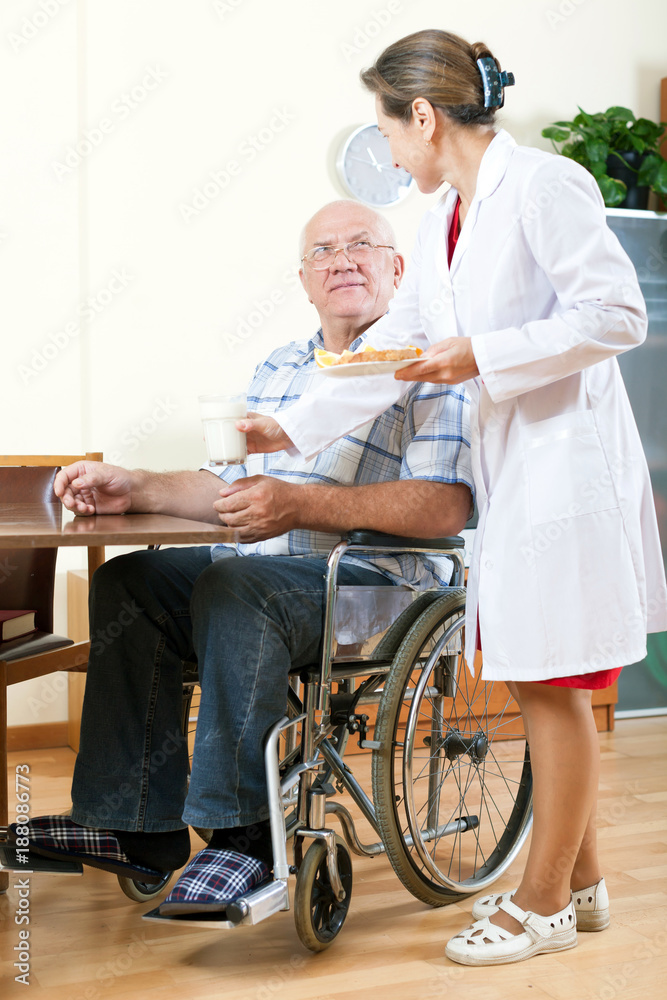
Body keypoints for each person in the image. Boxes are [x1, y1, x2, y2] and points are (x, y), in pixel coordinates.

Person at [238, 31, 667, 965]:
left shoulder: (547, 187)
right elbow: (403, 338)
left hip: (566, 472)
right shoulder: (442, 221)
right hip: (514, 472)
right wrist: (295, 424)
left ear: (423, 117)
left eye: (388, 132)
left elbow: (616, 315)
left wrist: (483, 354)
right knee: (534, 672)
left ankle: (541, 903)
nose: (389, 154)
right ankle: (584, 887)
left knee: (551, 685)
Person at [12, 199, 473, 915]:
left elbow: (446, 506)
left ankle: (244, 838)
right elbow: (225, 489)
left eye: (361, 245)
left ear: (397, 269)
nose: (342, 259)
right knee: (131, 580)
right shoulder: (282, 364)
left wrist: (298, 507)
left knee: (236, 585)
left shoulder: (431, 364)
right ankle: (132, 824)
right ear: (304, 279)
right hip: (260, 574)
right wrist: (134, 486)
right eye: (324, 251)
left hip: (375, 584)